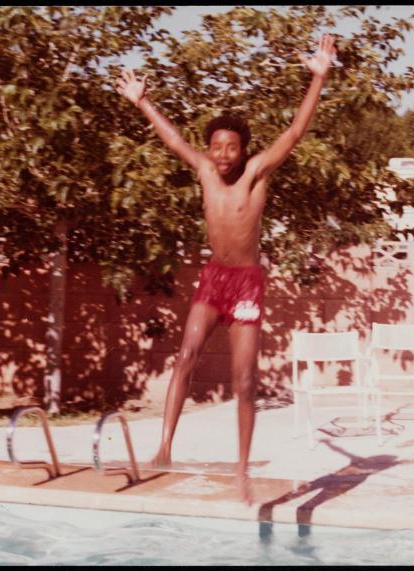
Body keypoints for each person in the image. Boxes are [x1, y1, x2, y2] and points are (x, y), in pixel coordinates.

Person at [115, 34, 337, 504]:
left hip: (246, 286)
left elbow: (294, 134)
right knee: (187, 355)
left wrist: (318, 79)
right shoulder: (203, 171)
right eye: (216, 146)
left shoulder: (256, 173)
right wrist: (143, 102)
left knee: (243, 380)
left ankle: (241, 471)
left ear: (243, 150)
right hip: (214, 277)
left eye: (230, 147)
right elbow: (172, 138)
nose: (221, 154)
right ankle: (164, 447)